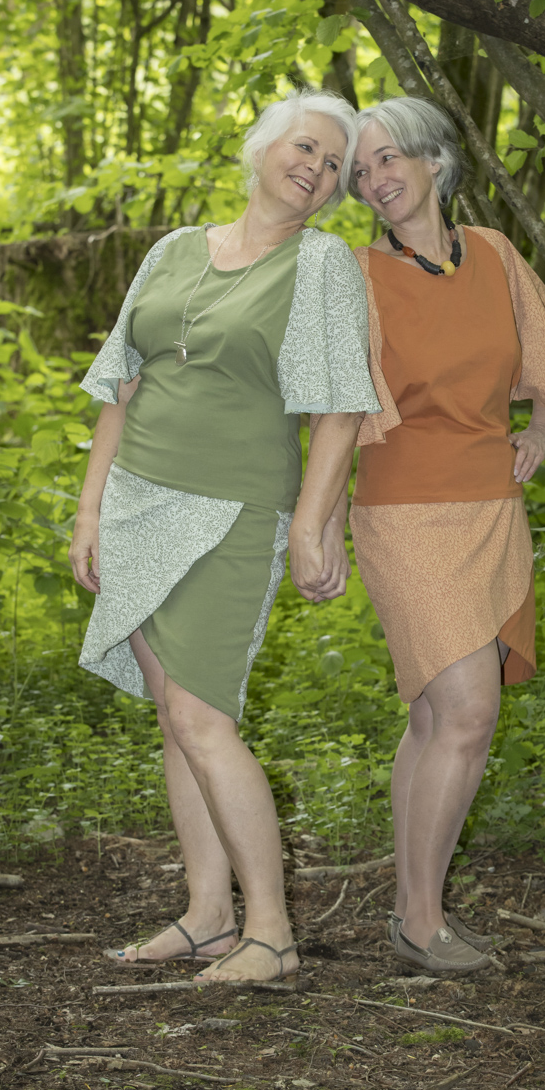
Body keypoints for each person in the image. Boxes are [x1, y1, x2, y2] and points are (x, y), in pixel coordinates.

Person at [69, 88, 381, 984]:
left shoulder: (319, 264)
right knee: (175, 718)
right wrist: (90, 510)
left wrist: (312, 526)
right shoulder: (172, 249)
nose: (315, 168)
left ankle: (271, 933)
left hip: (232, 510)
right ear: (262, 147)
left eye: (332, 163)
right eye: (305, 146)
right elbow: (120, 385)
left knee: (204, 717)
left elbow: (338, 411)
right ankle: (208, 918)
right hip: (135, 499)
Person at [346, 97, 545, 973]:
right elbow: (327, 408)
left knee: (431, 717)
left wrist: (541, 427)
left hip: (493, 505)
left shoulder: (492, 251)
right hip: (404, 512)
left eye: (387, 158)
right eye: (359, 171)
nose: (374, 179)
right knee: (467, 712)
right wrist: (311, 520)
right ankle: (421, 921)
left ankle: (411, 910)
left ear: (434, 161)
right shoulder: (355, 277)